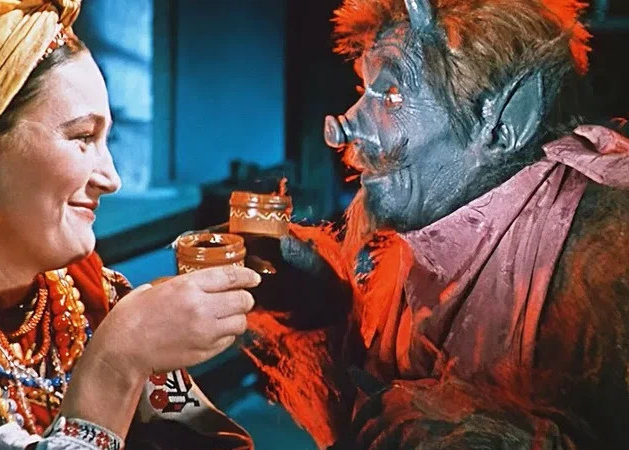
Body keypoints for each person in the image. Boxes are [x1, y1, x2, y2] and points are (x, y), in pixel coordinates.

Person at [0, 1, 258, 449]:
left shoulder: (83, 291)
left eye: (106, 139)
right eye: (82, 137)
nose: (111, 178)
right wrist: (113, 365)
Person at [242, 0, 629, 448]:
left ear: (506, 120)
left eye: (392, 96)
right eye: (364, 89)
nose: (344, 128)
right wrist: (321, 312)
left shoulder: (610, 253)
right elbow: (367, 421)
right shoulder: (428, 230)